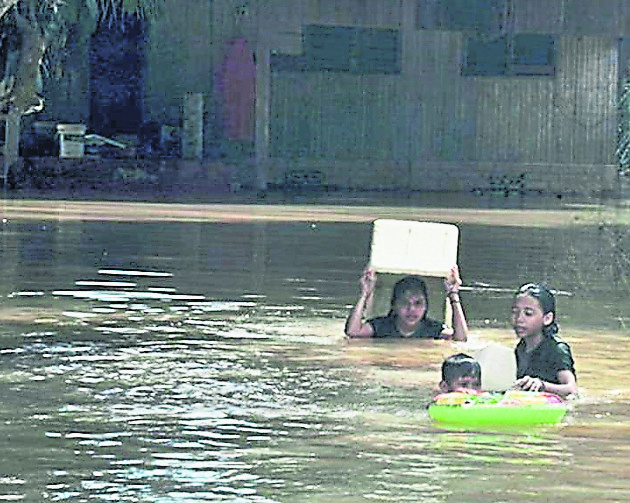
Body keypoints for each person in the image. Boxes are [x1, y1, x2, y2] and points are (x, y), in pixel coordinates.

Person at [344, 265, 468, 341]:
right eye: (404, 303)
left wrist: (453, 294)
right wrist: (365, 293)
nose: (411, 309)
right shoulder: (381, 326)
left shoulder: (433, 330)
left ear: (426, 306)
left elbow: (461, 338)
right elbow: (352, 333)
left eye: (418, 303)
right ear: (394, 305)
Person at [511, 282, 577, 397]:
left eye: (528, 313)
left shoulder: (557, 349)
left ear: (547, 318)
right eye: (515, 312)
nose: (519, 319)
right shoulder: (521, 348)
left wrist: (542, 385)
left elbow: (571, 389)